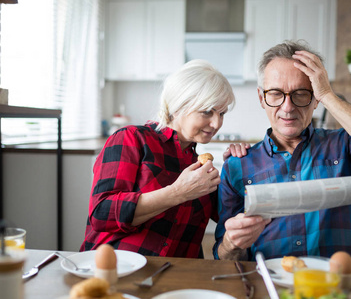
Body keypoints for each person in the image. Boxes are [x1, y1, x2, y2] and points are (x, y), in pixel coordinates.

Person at [213, 40, 351, 267]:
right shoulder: (238, 165)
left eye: (301, 94)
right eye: (276, 94)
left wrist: (327, 93)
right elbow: (224, 256)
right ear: (261, 98)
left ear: (316, 99)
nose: (287, 107)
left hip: (348, 287)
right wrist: (232, 242)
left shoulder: (347, 145)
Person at [80, 59, 248, 258]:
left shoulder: (198, 166)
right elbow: (102, 213)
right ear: (179, 105)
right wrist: (178, 192)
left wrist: (235, 171)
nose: (216, 123)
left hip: (176, 276)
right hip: (115, 269)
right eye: (207, 112)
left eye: (221, 113)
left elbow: (227, 215)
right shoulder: (132, 138)